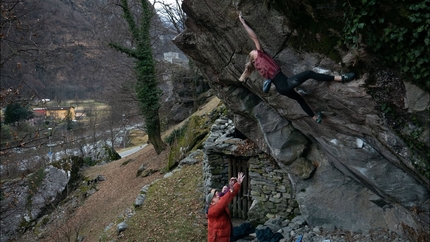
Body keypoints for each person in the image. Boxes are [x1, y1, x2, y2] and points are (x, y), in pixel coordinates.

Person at [238, 12, 356, 123]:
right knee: (309, 73)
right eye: (253, 51)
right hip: (286, 83)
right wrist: (243, 23)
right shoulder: (259, 56)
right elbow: (255, 38)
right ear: (254, 57)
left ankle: (315, 118)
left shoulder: (259, 67)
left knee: (300, 99)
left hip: (281, 89)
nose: (254, 49)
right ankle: (341, 78)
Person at [206, 172, 245, 242]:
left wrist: (238, 184)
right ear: (212, 202)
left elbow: (229, 195)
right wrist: (230, 190)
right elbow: (225, 200)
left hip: (225, 235)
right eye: (215, 196)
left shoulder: (218, 202)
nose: (218, 195)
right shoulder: (212, 210)